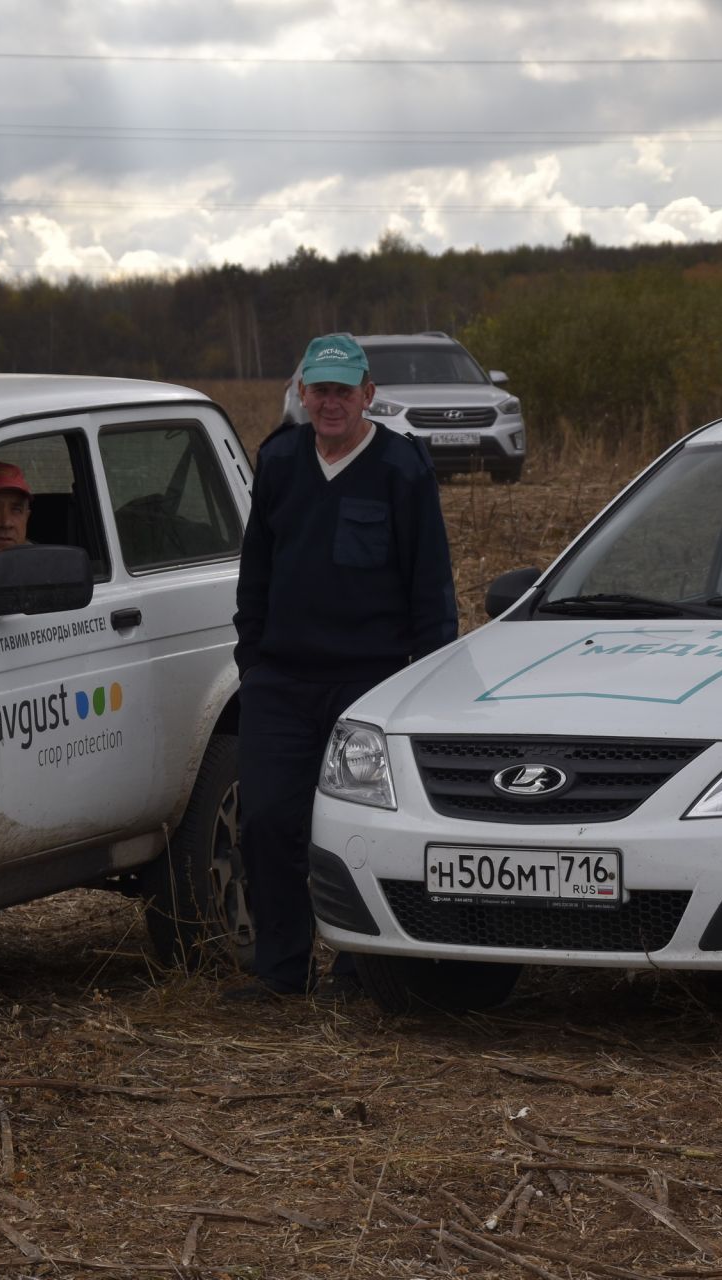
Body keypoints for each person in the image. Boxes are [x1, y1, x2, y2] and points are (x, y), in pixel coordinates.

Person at [229, 333, 459, 998]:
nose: (331, 403)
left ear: (369, 394)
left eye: (343, 391)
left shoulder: (401, 469)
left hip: (371, 684)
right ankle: (281, 967)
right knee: (268, 821)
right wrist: (253, 659)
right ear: (303, 394)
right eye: (319, 390)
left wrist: (426, 684)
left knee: (358, 827)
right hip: (281, 681)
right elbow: (256, 575)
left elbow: (431, 589)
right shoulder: (278, 462)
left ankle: (359, 966)